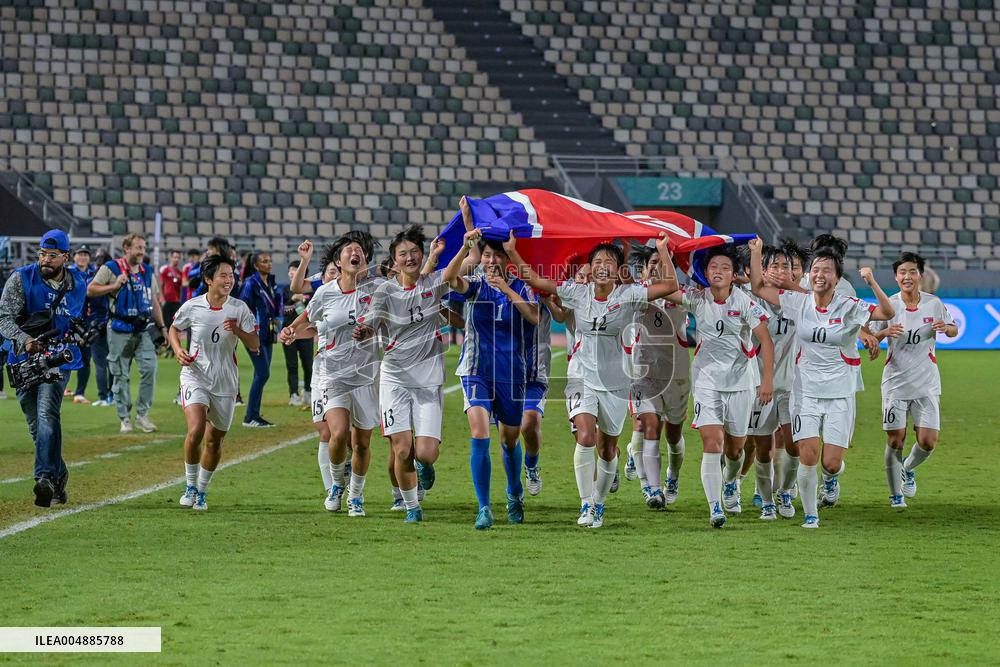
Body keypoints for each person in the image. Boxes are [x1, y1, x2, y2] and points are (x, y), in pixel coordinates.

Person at [507, 233, 678, 529]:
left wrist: (662, 251)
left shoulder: (629, 296)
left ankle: (599, 504)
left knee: (608, 450)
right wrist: (512, 252)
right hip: (581, 377)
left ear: (617, 271)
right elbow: (535, 279)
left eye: (608, 262)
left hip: (616, 383)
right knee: (585, 436)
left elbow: (670, 286)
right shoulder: (577, 292)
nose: (601, 266)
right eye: (597, 261)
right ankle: (586, 503)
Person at [748, 237, 894, 528]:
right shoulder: (798, 302)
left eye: (826, 270)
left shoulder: (848, 304)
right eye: (815, 269)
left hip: (840, 393)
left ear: (837, 278)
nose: (819, 274)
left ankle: (831, 479)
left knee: (831, 463)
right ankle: (811, 514)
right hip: (806, 392)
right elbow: (758, 288)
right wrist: (756, 254)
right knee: (807, 454)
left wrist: (873, 282)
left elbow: (887, 313)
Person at [655, 245, 775, 528]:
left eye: (724, 268)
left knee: (735, 450)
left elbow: (766, 342)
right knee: (712, 442)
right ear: (705, 273)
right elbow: (668, 289)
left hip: (741, 383)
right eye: (713, 268)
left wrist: (766, 380)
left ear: (734, 275)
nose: (718, 272)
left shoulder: (745, 302)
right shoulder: (698, 298)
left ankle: (731, 481)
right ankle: (715, 508)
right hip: (707, 381)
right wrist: (663, 253)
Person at [443, 225, 539, 529]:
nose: (490, 261)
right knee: (479, 432)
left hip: (511, 373)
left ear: (506, 260)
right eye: (486, 255)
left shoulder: (522, 287)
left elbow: (534, 316)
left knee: (509, 441)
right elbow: (448, 279)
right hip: (476, 371)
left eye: (496, 255)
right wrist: (463, 248)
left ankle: (514, 493)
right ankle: (484, 507)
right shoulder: (475, 285)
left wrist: (506, 289)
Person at [353, 225, 450, 523]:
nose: (409, 257)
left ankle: (425, 468)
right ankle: (411, 507)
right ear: (394, 261)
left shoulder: (432, 284)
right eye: (402, 254)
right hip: (394, 378)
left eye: (414, 252)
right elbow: (372, 320)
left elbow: (463, 264)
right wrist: (365, 330)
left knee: (425, 453)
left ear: (422, 255)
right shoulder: (384, 290)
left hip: (428, 381)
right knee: (402, 448)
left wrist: (466, 238)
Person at [0, 230, 88, 507]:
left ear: (65, 257)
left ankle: (45, 479)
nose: (45, 260)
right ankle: (59, 477)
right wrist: (25, 340)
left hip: (59, 358)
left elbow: (76, 316)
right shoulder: (21, 278)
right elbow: (2, 319)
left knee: (48, 411)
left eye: (51, 256)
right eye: (41, 254)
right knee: (36, 426)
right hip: (23, 359)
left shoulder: (78, 282)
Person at [168, 254, 259, 510]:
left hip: (225, 382)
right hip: (195, 375)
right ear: (208, 279)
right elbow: (174, 328)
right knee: (196, 430)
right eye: (223, 275)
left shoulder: (239, 308)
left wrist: (239, 330)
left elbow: (255, 344)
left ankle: (202, 490)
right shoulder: (193, 306)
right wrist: (177, 350)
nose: (229, 280)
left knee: (215, 440)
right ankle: (189, 485)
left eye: (231, 275)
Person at [300, 233, 380, 516]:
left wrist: (370, 330)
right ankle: (336, 484)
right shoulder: (325, 292)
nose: (354, 253)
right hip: (333, 373)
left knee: (361, 442)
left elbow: (386, 319)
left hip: (366, 375)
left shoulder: (377, 289)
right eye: (349, 250)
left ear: (365, 261)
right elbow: (307, 317)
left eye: (359, 250)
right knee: (338, 433)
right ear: (339, 260)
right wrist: (290, 330)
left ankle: (355, 496)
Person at [869, 252, 956, 508]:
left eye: (912, 272)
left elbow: (953, 329)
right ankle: (896, 495)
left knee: (928, 442)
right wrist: (885, 331)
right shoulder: (889, 306)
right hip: (895, 382)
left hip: (927, 382)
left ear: (920, 275)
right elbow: (871, 338)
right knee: (895, 440)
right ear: (896, 277)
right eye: (902, 272)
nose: (907, 276)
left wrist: (946, 328)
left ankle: (907, 467)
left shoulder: (934, 303)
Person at [623, 245, 692, 509]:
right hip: (644, 376)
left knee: (673, 435)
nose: (657, 266)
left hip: (676, 377)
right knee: (648, 426)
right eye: (653, 262)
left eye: (663, 262)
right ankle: (651, 489)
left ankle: (672, 476)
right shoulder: (636, 294)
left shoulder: (680, 295)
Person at [87, 233, 168, 433]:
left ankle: (142, 415)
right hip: (118, 329)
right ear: (126, 248)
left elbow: (154, 301)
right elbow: (91, 289)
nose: (142, 251)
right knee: (120, 375)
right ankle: (124, 418)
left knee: (150, 369)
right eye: (138, 247)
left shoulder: (147, 271)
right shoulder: (111, 268)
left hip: (143, 330)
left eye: (143, 248)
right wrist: (114, 286)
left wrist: (163, 327)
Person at [742, 243, 800, 520]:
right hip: (758, 386)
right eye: (773, 266)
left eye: (784, 266)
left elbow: (824, 303)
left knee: (795, 444)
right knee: (762, 449)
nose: (779, 271)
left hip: (793, 386)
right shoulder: (749, 298)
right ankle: (766, 501)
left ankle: (786, 490)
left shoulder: (801, 300)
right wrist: (755, 254)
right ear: (763, 270)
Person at [239, 251, 283, 427]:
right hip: (254, 336)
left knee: (261, 374)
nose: (269, 264)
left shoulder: (270, 282)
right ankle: (250, 416)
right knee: (263, 373)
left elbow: (273, 306)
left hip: (268, 334)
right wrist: (249, 336)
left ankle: (254, 415)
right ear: (256, 266)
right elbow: (243, 309)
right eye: (264, 261)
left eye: (270, 260)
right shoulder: (251, 284)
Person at [281, 259, 313, 408]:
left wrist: (304, 299)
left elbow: (313, 310)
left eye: (295, 269)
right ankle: (293, 394)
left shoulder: (310, 290)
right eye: (291, 270)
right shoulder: (285, 290)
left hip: (306, 333)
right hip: (289, 331)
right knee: (291, 364)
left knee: (308, 364)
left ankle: (308, 392)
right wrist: (292, 299)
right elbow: (281, 308)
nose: (292, 272)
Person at [159, 249, 183, 328]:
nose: (176, 259)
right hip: (166, 301)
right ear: (171, 257)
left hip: (176, 302)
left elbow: (180, 288)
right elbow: (161, 285)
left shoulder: (180, 273)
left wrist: (179, 299)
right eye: (175, 257)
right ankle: (166, 340)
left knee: (175, 326)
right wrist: (162, 299)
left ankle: (173, 340)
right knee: (165, 326)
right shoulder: (165, 269)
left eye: (178, 258)